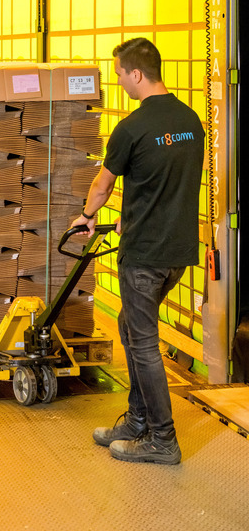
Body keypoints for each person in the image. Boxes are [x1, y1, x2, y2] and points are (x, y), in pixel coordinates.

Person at [71, 37, 204, 465]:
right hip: (178, 253)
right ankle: (137, 421)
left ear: (136, 74)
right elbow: (167, 181)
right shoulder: (191, 121)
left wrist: (86, 216)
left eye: (118, 74)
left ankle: (162, 440)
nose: (118, 82)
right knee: (129, 328)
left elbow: (103, 184)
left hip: (145, 255)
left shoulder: (131, 128)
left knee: (143, 343)